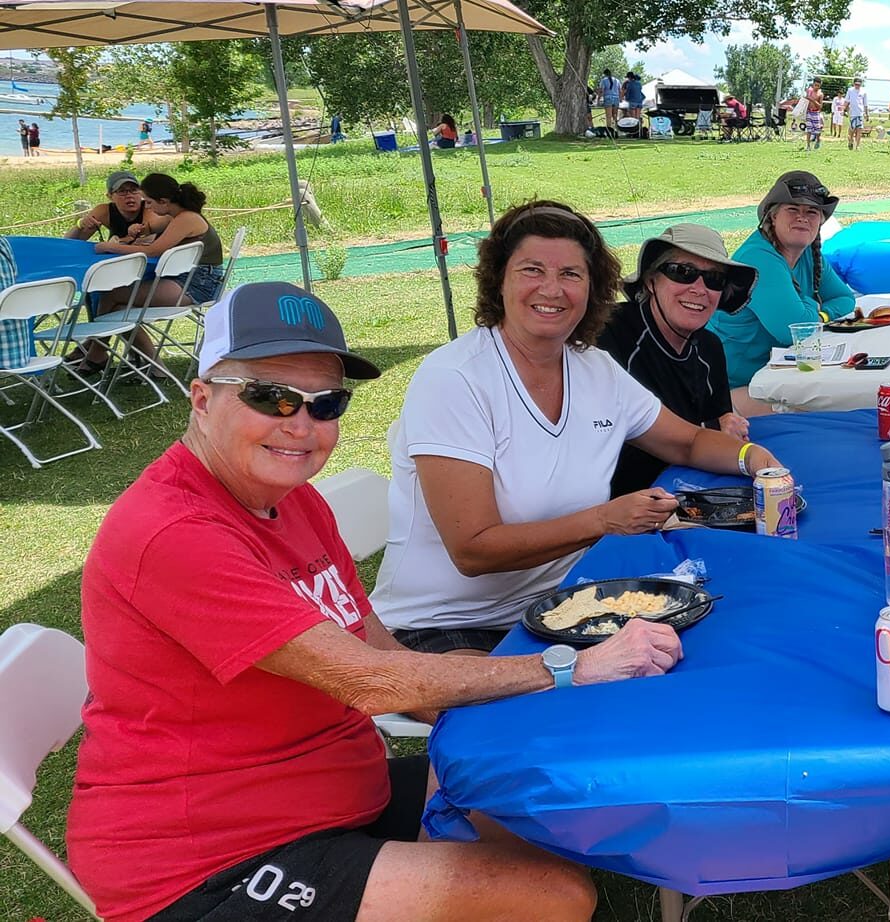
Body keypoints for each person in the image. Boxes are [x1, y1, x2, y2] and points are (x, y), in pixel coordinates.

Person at [65, 280, 680, 922]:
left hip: (335, 790)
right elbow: (373, 682)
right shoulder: (175, 532)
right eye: (270, 397)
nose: (299, 425)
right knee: (554, 898)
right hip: (207, 859)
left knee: (545, 808)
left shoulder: (295, 499)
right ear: (201, 397)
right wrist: (568, 668)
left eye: (325, 403)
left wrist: (520, 691)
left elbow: (382, 652)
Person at [370, 201, 785, 655]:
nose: (552, 288)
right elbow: (472, 550)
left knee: (731, 636)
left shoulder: (594, 368)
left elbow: (685, 441)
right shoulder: (455, 378)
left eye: (571, 274)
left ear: (592, 288)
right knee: (530, 719)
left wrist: (752, 459)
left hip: (572, 601)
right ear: (498, 281)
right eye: (532, 269)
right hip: (451, 625)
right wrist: (604, 520)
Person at [598, 224, 757, 497]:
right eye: (682, 272)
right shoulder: (609, 333)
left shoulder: (709, 348)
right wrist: (713, 430)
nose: (698, 288)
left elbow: (719, 423)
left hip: (685, 492)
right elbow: (617, 440)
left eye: (714, 279)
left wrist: (726, 423)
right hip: (618, 505)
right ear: (651, 281)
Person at [707, 171, 853, 413]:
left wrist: (819, 316)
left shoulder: (808, 254)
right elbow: (793, 330)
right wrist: (810, 305)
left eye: (812, 212)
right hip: (731, 390)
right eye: (792, 210)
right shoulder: (759, 258)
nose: (802, 218)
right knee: (824, 410)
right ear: (772, 216)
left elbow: (845, 299)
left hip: (775, 377)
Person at [84, 173, 228, 369]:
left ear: (164, 201)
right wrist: (140, 230)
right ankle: (155, 367)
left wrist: (109, 247)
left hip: (196, 285)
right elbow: (152, 227)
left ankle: (96, 352)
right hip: (193, 280)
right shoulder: (176, 216)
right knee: (118, 308)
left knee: (108, 295)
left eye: (149, 202)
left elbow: (154, 250)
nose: (147, 207)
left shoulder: (186, 219)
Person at [66, 170, 169, 243]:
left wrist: (114, 243)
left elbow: (145, 238)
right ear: (110, 196)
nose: (129, 195)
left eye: (134, 190)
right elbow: (69, 242)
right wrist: (80, 225)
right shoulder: (104, 211)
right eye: (122, 191)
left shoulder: (149, 208)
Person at [846, 77, 868, 149]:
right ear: (853, 83)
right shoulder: (850, 90)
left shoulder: (863, 92)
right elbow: (846, 101)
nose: (857, 86)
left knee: (859, 130)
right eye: (856, 84)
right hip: (852, 113)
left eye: (859, 84)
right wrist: (844, 109)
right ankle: (851, 141)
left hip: (860, 113)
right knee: (851, 130)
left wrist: (866, 114)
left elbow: (865, 104)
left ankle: (857, 146)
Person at [804, 77, 825, 150]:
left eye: (818, 86)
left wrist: (813, 100)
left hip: (816, 113)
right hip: (809, 112)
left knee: (817, 130)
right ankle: (808, 145)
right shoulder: (809, 91)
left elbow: (820, 106)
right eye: (815, 85)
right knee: (809, 129)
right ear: (813, 84)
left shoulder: (820, 94)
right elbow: (805, 100)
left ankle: (818, 140)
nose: (816, 87)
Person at [598, 68, 620, 134]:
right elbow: (619, 90)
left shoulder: (604, 80)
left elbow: (601, 90)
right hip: (616, 98)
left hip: (608, 98)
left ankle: (609, 131)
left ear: (605, 74)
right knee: (615, 115)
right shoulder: (617, 80)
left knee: (608, 116)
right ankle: (617, 130)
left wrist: (598, 99)